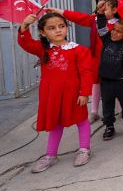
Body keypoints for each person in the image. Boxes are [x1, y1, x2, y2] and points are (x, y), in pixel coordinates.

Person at [18, 13, 93, 173]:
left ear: (66, 27)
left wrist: (84, 93)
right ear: (43, 32)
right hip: (51, 94)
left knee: (81, 120)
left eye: (61, 26)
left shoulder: (79, 50)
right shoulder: (42, 49)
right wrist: (24, 26)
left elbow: (86, 73)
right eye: (52, 28)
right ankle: (51, 155)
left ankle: (84, 149)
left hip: (74, 93)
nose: (58, 31)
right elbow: (27, 44)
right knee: (55, 123)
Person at [53, 0, 119, 123]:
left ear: (115, 10)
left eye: (104, 8)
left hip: (114, 59)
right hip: (97, 58)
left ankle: (120, 108)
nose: (101, 10)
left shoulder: (120, 23)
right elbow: (76, 17)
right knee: (96, 83)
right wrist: (57, 11)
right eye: (99, 7)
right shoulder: (94, 20)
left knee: (115, 83)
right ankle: (94, 111)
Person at [96, 17, 123, 140]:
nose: (114, 33)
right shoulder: (106, 40)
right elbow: (101, 27)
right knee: (107, 105)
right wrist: (100, 14)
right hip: (106, 81)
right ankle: (109, 126)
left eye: (119, 31)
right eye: (114, 30)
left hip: (122, 81)